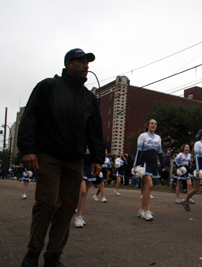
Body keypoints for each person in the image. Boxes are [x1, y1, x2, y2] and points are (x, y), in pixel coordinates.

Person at [19, 48, 104, 267]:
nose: (86, 66)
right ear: (68, 64)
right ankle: (32, 253)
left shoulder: (88, 98)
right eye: (81, 61)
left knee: (67, 207)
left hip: (74, 161)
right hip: (48, 156)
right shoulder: (48, 87)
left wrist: (97, 157)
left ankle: (53, 256)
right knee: (47, 202)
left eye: (88, 63)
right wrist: (28, 149)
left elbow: (94, 131)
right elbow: (30, 118)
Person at [134, 119, 164, 221]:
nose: (153, 125)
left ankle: (141, 209)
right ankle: (147, 210)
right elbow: (139, 151)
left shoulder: (158, 138)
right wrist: (135, 165)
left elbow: (160, 152)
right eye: (151, 123)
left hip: (153, 164)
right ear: (148, 125)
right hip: (145, 163)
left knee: (148, 188)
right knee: (149, 185)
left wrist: (162, 165)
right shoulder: (143, 136)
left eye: (155, 124)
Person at [182, 128, 202, 213]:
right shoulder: (197, 144)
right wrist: (197, 170)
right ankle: (185, 200)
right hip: (199, 166)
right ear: (200, 135)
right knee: (196, 189)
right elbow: (197, 157)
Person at [74, 148, 97, 228]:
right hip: (81, 164)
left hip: (90, 165)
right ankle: (78, 215)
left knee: (85, 193)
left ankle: (79, 215)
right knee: (82, 191)